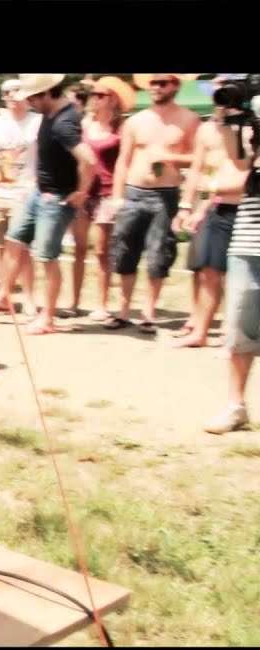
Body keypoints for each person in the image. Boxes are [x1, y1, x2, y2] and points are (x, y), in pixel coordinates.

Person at [0, 74, 96, 335]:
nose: (29, 102)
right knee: (14, 241)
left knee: (47, 257)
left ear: (47, 93)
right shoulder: (51, 113)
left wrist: (81, 192)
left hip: (56, 199)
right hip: (38, 192)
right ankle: (3, 296)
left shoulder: (64, 123)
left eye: (32, 98)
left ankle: (47, 318)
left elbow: (88, 159)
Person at [106, 74, 201, 332]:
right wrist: (117, 197)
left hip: (165, 195)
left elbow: (199, 158)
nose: (156, 87)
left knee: (159, 253)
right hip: (134, 193)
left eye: (162, 83)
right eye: (153, 83)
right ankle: (124, 309)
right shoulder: (136, 121)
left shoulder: (189, 119)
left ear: (175, 86)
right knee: (124, 251)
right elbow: (123, 160)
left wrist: (170, 157)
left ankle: (149, 311)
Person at [174, 84, 254, 349]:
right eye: (217, 93)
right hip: (215, 206)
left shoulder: (252, 128)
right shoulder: (207, 129)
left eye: (226, 93)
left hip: (246, 208)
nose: (220, 99)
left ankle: (232, 332)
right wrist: (186, 205)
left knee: (242, 274)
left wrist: (216, 188)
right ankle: (201, 331)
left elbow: (248, 171)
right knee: (208, 271)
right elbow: (196, 168)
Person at [69, 76, 131, 321]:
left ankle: (101, 303)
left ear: (113, 99)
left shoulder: (121, 128)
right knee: (79, 249)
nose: (94, 99)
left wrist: (119, 195)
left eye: (100, 95)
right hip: (84, 191)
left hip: (107, 192)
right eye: (93, 95)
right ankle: (74, 302)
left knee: (102, 250)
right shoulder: (85, 124)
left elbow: (126, 161)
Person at [204, 157, 259, 434]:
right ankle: (235, 406)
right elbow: (238, 168)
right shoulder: (250, 139)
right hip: (248, 243)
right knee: (240, 327)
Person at [0, 78, 41, 317]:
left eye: (17, 91)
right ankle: (4, 295)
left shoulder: (36, 122)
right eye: (7, 92)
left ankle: (28, 297)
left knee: (21, 248)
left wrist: (37, 186)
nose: (12, 95)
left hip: (24, 192)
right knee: (0, 247)